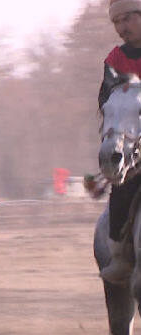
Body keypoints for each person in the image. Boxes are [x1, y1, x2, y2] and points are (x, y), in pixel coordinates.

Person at [99, 0, 141, 283]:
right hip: (133, 146)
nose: (121, 28)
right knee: (122, 187)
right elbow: (104, 100)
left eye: (127, 19)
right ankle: (119, 254)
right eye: (117, 22)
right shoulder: (115, 59)